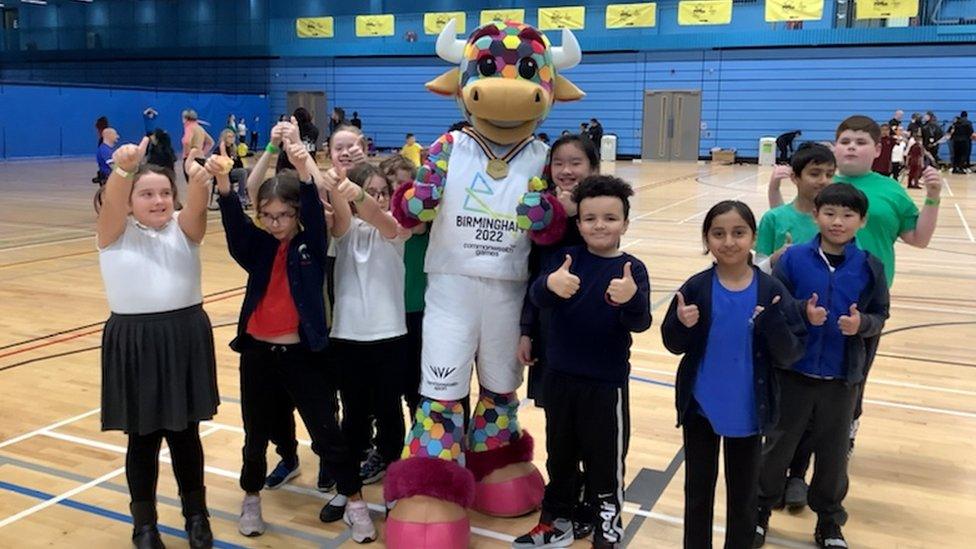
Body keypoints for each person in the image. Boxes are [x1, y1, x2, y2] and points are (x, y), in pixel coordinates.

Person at [213, 135, 377, 543]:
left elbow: (310, 194)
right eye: (267, 215)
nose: (275, 223)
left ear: (298, 214)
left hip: (304, 355)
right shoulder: (258, 247)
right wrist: (221, 186)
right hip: (257, 354)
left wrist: (302, 162)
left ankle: (354, 503)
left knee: (328, 434)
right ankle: (250, 498)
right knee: (255, 434)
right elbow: (235, 224)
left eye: (283, 215)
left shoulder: (311, 242)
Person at [768, 114, 943, 454]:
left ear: (877, 149)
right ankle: (793, 452)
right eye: (845, 141)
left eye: (861, 142)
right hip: (810, 298)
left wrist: (933, 197)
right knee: (797, 375)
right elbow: (786, 221)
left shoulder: (890, 191)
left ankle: (841, 439)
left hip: (860, 303)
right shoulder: (821, 184)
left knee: (852, 377)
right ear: (835, 146)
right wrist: (773, 189)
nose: (851, 147)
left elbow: (918, 238)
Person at [514, 176, 651, 549]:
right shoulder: (564, 259)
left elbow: (640, 323)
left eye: (610, 218)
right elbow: (537, 297)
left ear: (625, 221)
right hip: (559, 379)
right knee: (559, 454)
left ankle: (607, 522)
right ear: (579, 223)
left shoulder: (632, 269)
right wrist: (548, 286)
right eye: (590, 218)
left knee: (604, 459)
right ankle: (555, 520)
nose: (600, 225)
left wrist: (631, 299)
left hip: (605, 384)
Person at [661, 201, 807, 549]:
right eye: (719, 233)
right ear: (707, 239)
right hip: (701, 410)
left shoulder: (771, 291)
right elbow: (672, 343)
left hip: (748, 411)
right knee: (697, 491)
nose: (729, 241)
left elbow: (791, 353)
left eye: (738, 233)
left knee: (743, 497)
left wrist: (773, 326)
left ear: (753, 237)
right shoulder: (696, 287)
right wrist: (681, 325)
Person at [97, 140, 219, 549]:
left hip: (184, 336)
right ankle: (144, 525)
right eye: (147, 193)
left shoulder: (184, 228)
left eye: (166, 192)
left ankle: (196, 515)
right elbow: (112, 201)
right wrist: (123, 170)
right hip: (136, 342)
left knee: (187, 435)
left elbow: (198, 206)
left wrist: (199, 177)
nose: (159, 200)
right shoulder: (115, 231)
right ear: (130, 200)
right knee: (142, 439)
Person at [755, 183, 890, 549]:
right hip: (793, 374)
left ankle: (829, 520)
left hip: (840, 379)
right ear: (815, 215)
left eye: (848, 215)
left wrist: (861, 325)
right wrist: (802, 311)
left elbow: (880, 314)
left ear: (861, 221)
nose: (837, 221)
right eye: (829, 213)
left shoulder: (869, 267)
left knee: (832, 457)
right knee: (776, 449)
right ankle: (759, 512)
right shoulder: (793, 259)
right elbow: (773, 300)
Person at [518, 135, 600, 541]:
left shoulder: (600, 212)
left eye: (576, 162)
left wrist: (574, 215)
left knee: (588, 427)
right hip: (551, 333)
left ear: (593, 168)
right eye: (559, 163)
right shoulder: (542, 211)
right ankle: (561, 499)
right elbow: (535, 273)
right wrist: (527, 330)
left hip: (589, 335)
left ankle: (586, 498)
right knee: (558, 424)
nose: (566, 170)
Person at [330, 160, 412, 487]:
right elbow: (341, 211)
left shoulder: (396, 228)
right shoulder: (343, 231)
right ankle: (349, 491)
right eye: (371, 192)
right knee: (353, 415)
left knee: (389, 410)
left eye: (383, 192)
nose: (378, 199)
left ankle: (392, 477)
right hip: (347, 337)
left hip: (389, 336)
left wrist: (360, 195)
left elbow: (379, 218)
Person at [755, 143, 836, 272]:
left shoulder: (839, 220)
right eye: (815, 174)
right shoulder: (773, 218)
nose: (824, 181)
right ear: (795, 177)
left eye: (830, 175)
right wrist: (774, 258)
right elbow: (758, 269)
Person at [217, 128, 249, 207]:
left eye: (233, 137)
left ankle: (247, 194)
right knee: (242, 172)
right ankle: (241, 197)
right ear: (224, 138)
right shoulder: (219, 150)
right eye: (229, 137)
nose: (232, 139)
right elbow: (225, 164)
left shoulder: (234, 149)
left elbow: (239, 163)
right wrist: (223, 149)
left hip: (234, 172)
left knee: (249, 170)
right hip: (224, 174)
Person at [181, 109, 215, 181]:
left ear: (185, 118)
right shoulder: (200, 128)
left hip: (192, 160)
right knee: (200, 186)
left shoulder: (189, 127)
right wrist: (203, 152)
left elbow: (187, 141)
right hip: (201, 159)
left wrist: (188, 154)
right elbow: (211, 142)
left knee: (192, 186)